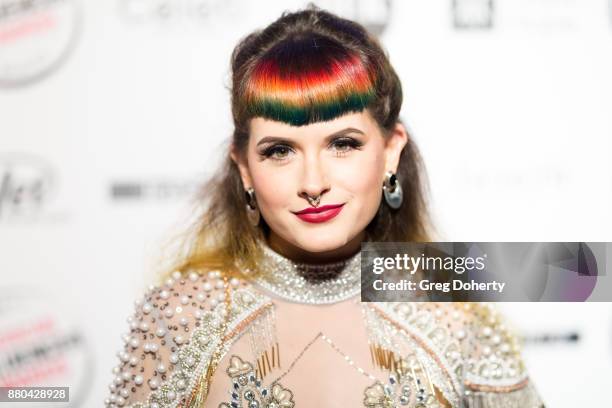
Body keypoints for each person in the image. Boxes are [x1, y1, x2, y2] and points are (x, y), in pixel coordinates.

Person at [104, 5, 545, 407]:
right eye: (280, 151)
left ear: (391, 152)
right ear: (243, 168)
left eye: (343, 144)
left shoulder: (453, 312)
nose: (313, 183)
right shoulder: (181, 316)